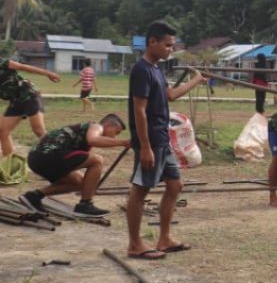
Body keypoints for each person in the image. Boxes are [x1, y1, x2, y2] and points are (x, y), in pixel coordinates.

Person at [125, 20, 206, 259]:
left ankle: (164, 238)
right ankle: (135, 244)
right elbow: (139, 110)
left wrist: (195, 80)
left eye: (172, 45)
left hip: (163, 138)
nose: (170, 49)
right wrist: (146, 147)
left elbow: (169, 95)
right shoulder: (141, 70)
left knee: (175, 185)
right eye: (167, 45)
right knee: (140, 190)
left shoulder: (156, 69)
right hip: (150, 140)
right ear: (152, 42)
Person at [21, 114, 129, 216]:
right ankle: (85, 204)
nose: (115, 137)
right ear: (108, 125)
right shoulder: (96, 126)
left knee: (81, 182)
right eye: (116, 132)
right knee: (97, 160)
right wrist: (123, 142)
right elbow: (93, 140)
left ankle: (34, 196)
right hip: (48, 155)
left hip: (36, 159)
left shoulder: (84, 130)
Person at [0, 57, 61, 157]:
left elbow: (24, 67)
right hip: (15, 101)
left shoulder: (2, 62)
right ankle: (10, 164)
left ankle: (61, 156)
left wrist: (48, 73)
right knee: (3, 131)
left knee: (38, 130)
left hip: (28, 94)